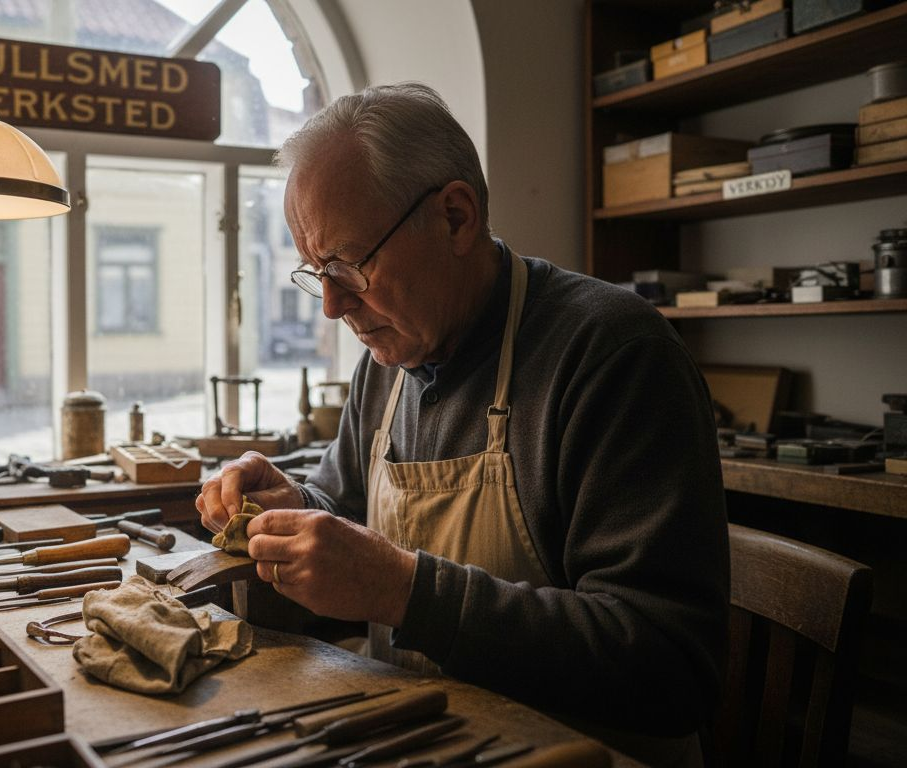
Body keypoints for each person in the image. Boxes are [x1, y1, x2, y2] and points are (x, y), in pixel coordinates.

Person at [195, 83, 728, 767]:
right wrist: (290, 505)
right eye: (315, 271)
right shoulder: (390, 357)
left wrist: (406, 590)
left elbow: (669, 666)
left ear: (454, 217)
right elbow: (344, 507)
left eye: (350, 265)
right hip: (427, 740)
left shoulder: (612, 356)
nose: (331, 306)